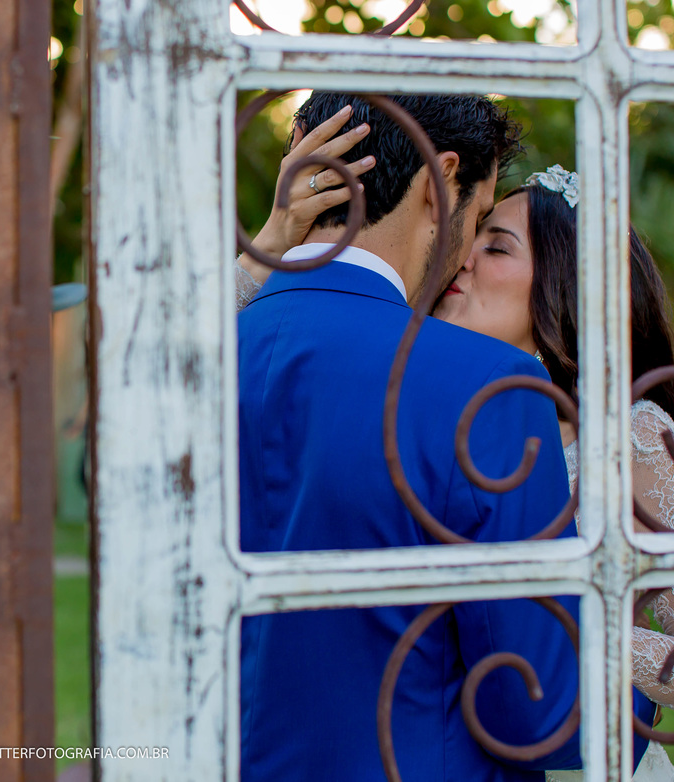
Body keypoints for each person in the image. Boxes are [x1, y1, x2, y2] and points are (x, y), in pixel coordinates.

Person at [235, 92, 659, 781]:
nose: (463, 255)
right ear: (441, 185)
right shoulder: (489, 385)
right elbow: (536, 712)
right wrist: (636, 698)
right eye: (480, 215)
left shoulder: (196, 359)